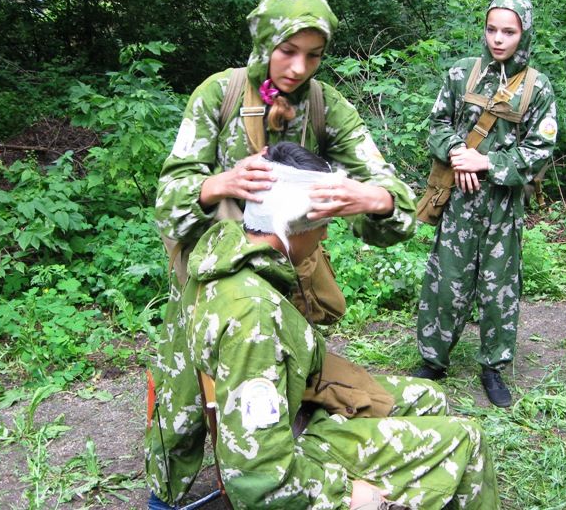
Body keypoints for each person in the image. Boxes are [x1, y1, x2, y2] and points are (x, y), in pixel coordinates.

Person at [147, 0, 416, 507]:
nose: (298, 68)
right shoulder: (218, 95)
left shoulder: (325, 106)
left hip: (288, 273)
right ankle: (167, 496)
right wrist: (216, 184)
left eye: (313, 55)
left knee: (285, 381)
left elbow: (390, 191)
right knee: (182, 405)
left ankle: (281, 477)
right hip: (212, 275)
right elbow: (168, 194)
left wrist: (372, 200)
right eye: (287, 50)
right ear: (263, 40)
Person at [153, 141, 499, 509]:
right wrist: (345, 494)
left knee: (431, 396)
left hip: (296, 406)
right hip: (295, 452)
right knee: (469, 438)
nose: (324, 235)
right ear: (297, 223)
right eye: (322, 224)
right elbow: (257, 478)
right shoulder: (252, 316)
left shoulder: (228, 253)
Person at [414, 0, 558, 408]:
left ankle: (493, 367)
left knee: (499, 288)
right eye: (492, 29)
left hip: (502, 204)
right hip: (459, 201)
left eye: (509, 31)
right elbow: (438, 124)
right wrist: (459, 153)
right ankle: (433, 360)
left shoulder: (537, 87)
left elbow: (538, 150)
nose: (498, 39)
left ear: (524, 33)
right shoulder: (462, 74)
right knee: (447, 279)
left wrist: (486, 163)